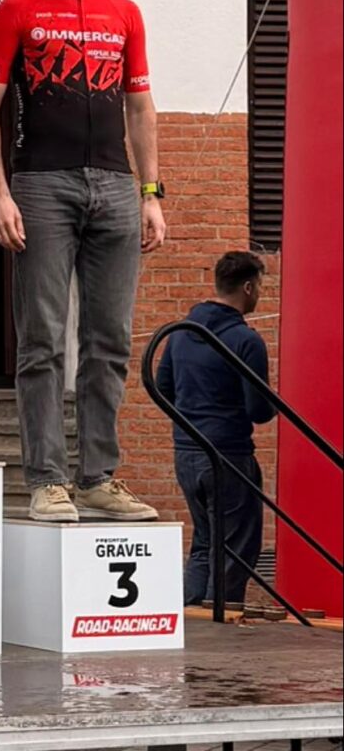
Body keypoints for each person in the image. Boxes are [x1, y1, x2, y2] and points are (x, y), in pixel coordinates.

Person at [0, 0, 166, 523]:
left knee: (109, 341)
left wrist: (151, 193)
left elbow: (140, 107)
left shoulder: (125, 12)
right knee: (42, 341)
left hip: (115, 185)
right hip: (40, 185)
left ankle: (98, 478)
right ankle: (48, 480)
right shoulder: (15, 8)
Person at [156, 251, 275, 605]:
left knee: (205, 541)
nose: (260, 294)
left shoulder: (181, 332)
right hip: (229, 454)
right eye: (260, 287)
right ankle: (221, 621)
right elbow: (259, 411)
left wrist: (193, 419)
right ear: (248, 287)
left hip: (187, 453)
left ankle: (193, 617)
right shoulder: (245, 340)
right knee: (236, 547)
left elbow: (162, 388)